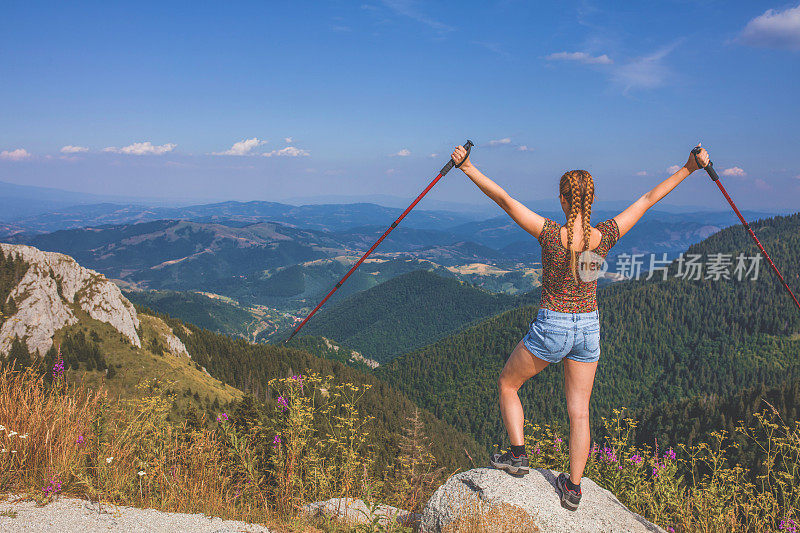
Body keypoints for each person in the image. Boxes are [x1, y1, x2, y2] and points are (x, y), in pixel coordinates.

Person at [450, 143, 710, 510]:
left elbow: (505, 200)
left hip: (553, 324)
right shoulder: (604, 236)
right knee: (580, 411)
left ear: (561, 199)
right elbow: (649, 198)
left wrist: (467, 166)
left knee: (508, 383)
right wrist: (689, 167)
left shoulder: (548, 233)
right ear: (592, 199)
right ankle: (573, 489)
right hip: (589, 327)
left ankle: (518, 456)